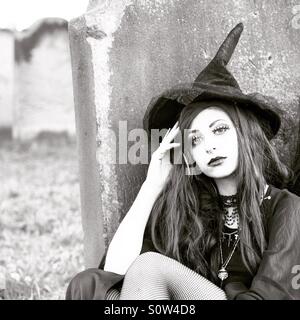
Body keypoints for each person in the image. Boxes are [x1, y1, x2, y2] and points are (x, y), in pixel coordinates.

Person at [66, 23, 300, 300]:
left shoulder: (287, 207)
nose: (209, 145)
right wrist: (152, 186)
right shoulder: (185, 208)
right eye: (195, 140)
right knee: (88, 284)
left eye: (220, 129)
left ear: (245, 134)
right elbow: (116, 272)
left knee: (150, 266)